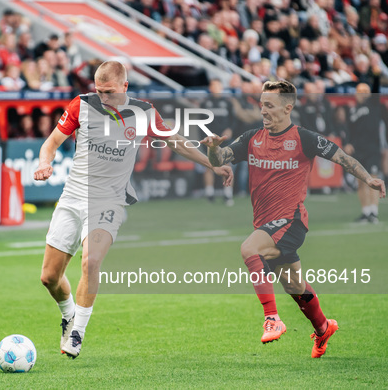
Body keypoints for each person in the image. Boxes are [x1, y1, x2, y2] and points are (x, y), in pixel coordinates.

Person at [33, 61, 233, 359]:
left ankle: (78, 333)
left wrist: (212, 164)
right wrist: (43, 162)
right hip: (73, 196)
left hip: (109, 201)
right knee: (49, 277)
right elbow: (51, 143)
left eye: (110, 92)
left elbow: (176, 143)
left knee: (91, 262)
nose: (103, 97)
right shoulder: (81, 105)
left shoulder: (143, 112)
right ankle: (68, 314)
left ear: (125, 87)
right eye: (99, 91)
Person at [201, 80, 385, 358]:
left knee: (249, 249)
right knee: (294, 286)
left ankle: (272, 318)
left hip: (291, 221)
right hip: (265, 223)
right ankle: (323, 328)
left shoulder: (304, 138)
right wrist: (213, 147)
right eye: (262, 104)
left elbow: (343, 158)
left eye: (269, 105)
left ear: (288, 107)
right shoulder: (252, 138)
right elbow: (218, 161)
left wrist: (369, 178)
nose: (263, 110)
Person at [345, 83, 383, 223]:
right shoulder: (353, 110)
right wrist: (348, 143)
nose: (363, 93)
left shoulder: (373, 104)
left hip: (372, 149)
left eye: (365, 91)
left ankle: (374, 212)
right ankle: (365, 212)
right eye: (360, 91)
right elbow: (349, 129)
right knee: (360, 181)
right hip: (358, 150)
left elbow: (376, 90)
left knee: (373, 180)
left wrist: (376, 74)